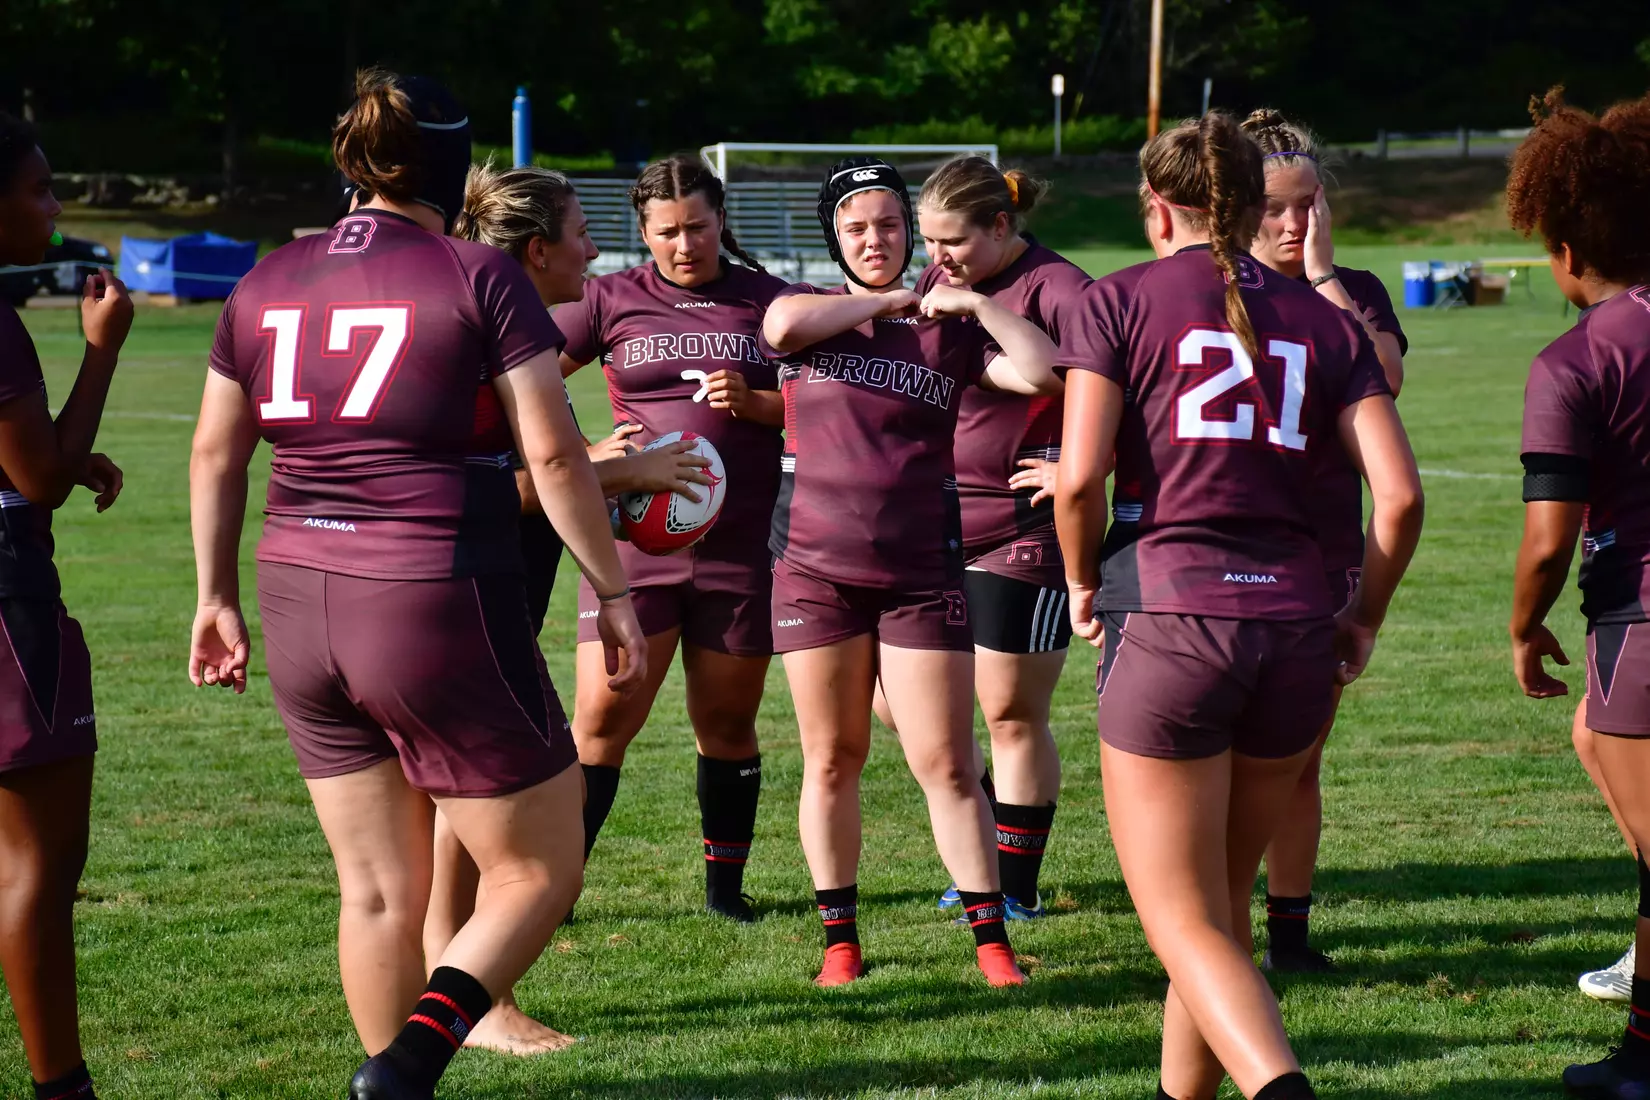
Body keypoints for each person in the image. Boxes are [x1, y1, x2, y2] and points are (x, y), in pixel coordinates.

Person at [188, 70, 646, 1100]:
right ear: (454, 164)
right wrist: (614, 592)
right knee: (540, 865)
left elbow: (218, 452)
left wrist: (213, 595)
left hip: (297, 592)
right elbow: (559, 456)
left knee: (376, 889)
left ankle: (396, 1079)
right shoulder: (478, 272)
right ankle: (410, 1059)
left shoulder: (267, 277)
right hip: (430, 587)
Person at [1055, 113, 1422, 1100]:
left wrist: (1082, 577)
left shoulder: (1117, 298)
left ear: (1156, 205)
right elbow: (1401, 496)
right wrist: (1365, 616)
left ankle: (1282, 1088)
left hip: (1172, 618)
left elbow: (1079, 476)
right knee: (1218, 908)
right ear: (1259, 206)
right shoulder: (1328, 318)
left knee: (1183, 922)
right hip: (1297, 626)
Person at [422, 162, 716, 1056]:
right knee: (499, 817)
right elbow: (486, 487)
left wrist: (593, 453)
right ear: (538, 249)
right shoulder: (495, 327)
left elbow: (507, 458)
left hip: (432, 591)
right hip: (468, 594)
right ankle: (477, 1004)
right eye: (583, 230)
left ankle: (435, 973)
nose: (596, 248)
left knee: (442, 806)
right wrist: (626, 472)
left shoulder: (473, 315)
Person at [760, 156, 1063, 987]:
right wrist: (891, 302)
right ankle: (841, 943)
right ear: (835, 235)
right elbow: (779, 331)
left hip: (922, 571)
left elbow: (1039, 372)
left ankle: (992, 944)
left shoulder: (952, 326)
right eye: (856, 226)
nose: (875, 239)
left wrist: (971, 304)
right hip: (813, 569)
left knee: (949, 762)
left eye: (889, 224)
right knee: (832, 758)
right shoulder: (806, 307)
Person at [555, 154, 788, 923]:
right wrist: (583, 451)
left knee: (725, 722)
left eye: (697, 227)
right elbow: (517, 375)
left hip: (740, 550)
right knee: (601, 718)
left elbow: (839, 399)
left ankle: (725, 892)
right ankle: (554, 891)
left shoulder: (772, 303)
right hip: (631, 550)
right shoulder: (608, 299)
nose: (684, 245)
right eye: (666, 232)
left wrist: (763, 405)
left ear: (722, 220)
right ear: (643, 232)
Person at [1505, 87, 1650, 1100]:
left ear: (1564, 251)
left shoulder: (1576, 358)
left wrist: (1523, 625)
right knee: (1593, 738)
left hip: (1640, 615)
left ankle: (1643, 1059)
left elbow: (1548, 537)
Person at [900, 155, 1091, 922]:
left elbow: (1095, 384)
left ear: (1002, 226)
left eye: (953, 242)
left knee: (1010, 713)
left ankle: (1014, 885)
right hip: (934, 520)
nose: (937, 258)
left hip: (1023, 530)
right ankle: (984, 842)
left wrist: (1077, 469)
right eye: (929, 241)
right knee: (904, 707)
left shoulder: (1061, 287)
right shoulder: (933, 282)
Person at [1240, 108, 1408, 972]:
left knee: (1297, 756)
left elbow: (1386, 378)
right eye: (1274, 206)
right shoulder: (1208, 285)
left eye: (1308, 205)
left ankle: (1290, 936)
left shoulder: (1355, 293)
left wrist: (1325, 277)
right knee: (1210, 760)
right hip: (1214, 554)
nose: (1292, 223)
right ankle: (1207, 927)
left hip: (1321, 553)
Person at [0, 111, 131, 1100]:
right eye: (41, 188)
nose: (56, 208)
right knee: (40, 862)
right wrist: (103, 350)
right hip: (8, 600)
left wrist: (57, 458)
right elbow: (36, 478)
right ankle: (63, 1089)